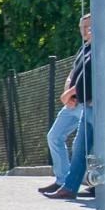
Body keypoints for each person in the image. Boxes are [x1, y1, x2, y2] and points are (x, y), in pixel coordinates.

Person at [44, 21, 96, 200]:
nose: (86, 31)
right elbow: (76, 74)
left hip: (97, 107)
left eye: (90, 27)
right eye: (83, 27)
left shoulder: (103, 49)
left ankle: (92, 184)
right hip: (85, 104)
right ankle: (69, 186)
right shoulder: (85, 49)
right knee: (79, 148)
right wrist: (70, 93)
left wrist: (71, 93)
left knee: (100, 150)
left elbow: (89, 77)